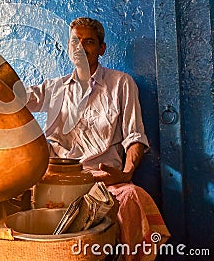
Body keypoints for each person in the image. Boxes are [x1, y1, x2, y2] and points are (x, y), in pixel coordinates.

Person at [26, 17, 170, 260]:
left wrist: (126, 173)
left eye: (89, 42)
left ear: (101, 49)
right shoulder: (54, 88)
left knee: (133, 196)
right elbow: (11, 99)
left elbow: (135, 136)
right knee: (15, 194)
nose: (80, 48)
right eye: (75, 41)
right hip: (58, 180)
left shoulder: (121, 84)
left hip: (103, 181)